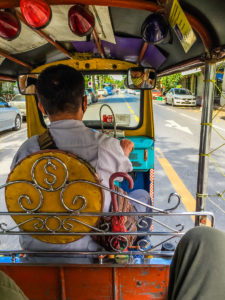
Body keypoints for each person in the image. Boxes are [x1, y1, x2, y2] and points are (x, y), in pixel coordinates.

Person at [10, 64, 151, 253]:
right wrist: (123, 151)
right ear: (84, 103)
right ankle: (139, 248)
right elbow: (121, 175)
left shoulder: (27, 149)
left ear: (41, 107)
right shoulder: (105, 145)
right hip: (91, 253)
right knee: (142, 196)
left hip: (35, 250)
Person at [1, 226, 225, 299]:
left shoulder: (28, 149)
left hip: (35, 254)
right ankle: (140, 244)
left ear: (42, 112)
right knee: (207, 238)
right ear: (83, 111)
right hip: (95, 256)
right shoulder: (104, 147)